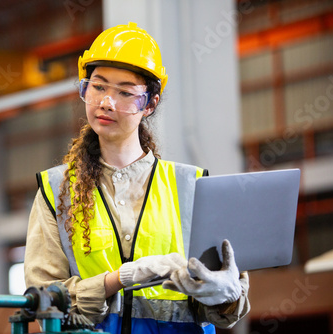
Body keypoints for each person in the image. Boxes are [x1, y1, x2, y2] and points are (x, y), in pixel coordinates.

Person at [24, 22, 250, 334]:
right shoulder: (55, 190)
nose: (107, 102)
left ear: (150, 104)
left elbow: (224, 309)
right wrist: (118, 279)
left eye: (125, 92)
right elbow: (44, 300)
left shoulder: (191, 186)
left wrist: (226, 296)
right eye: (98, 86)